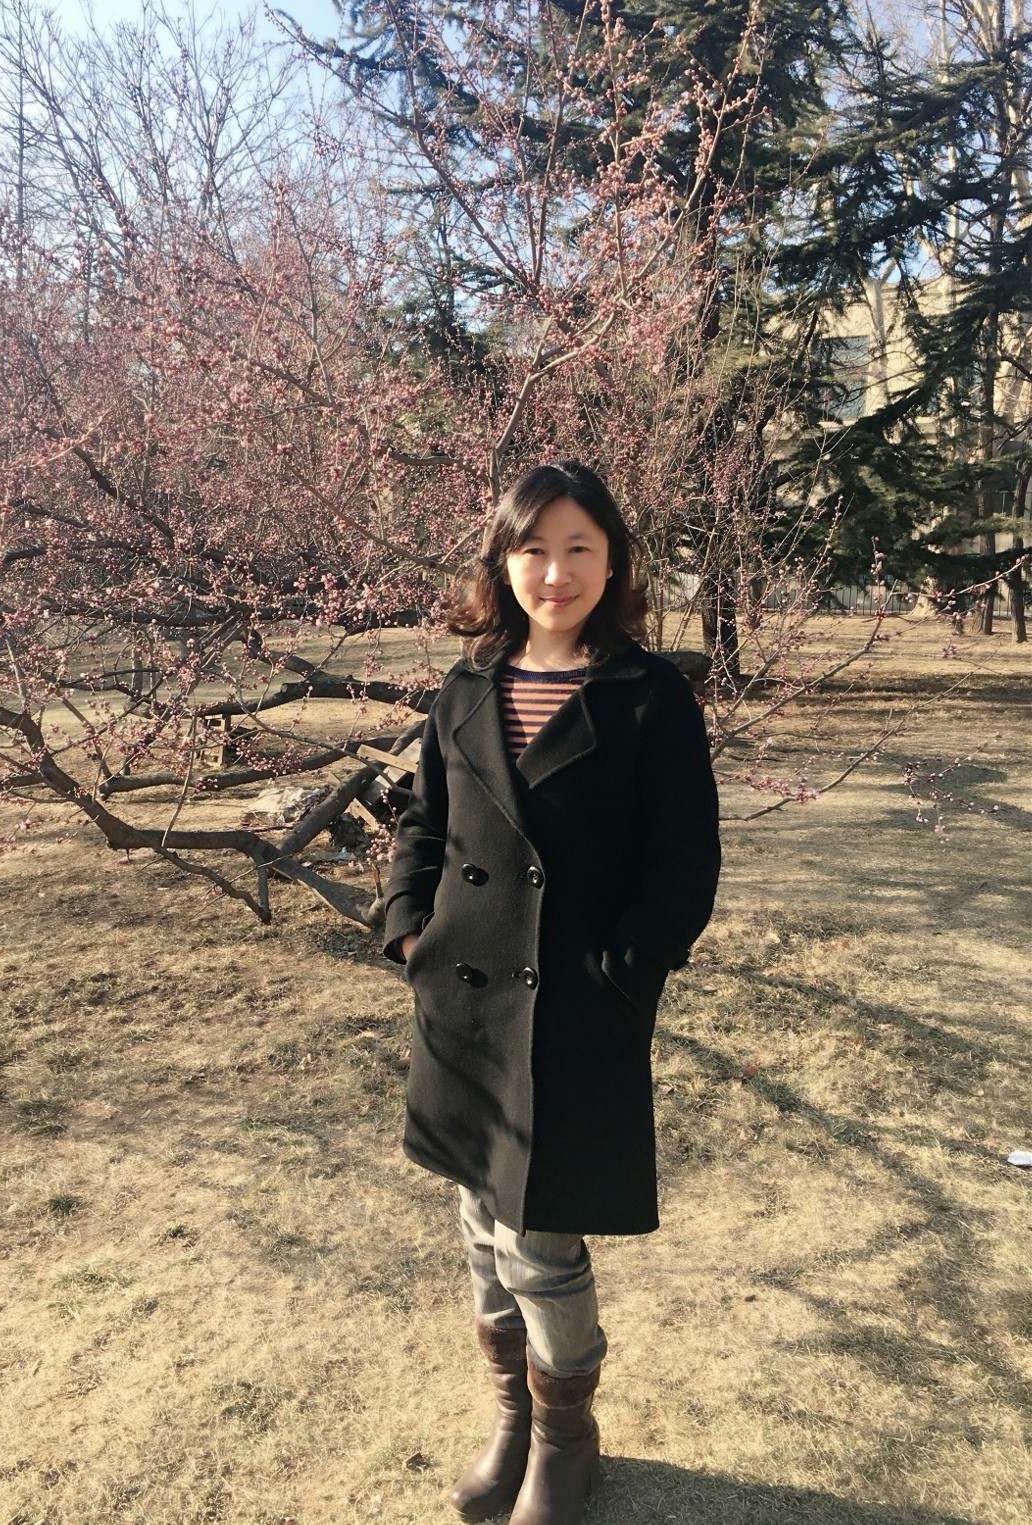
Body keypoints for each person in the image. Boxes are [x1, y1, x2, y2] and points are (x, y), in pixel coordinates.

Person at [382, 461, 721, 1525]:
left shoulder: (650, 695)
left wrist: (625, 972)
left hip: (575, 1012)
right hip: (463, 1006)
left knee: (541, 1239)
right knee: (478, 1219)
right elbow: (425, 823)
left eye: (580, 547)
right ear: (505, 560)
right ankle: (513, 1417)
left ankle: (567, 1434)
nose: (556, 571)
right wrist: (408, 929)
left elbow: (685, 862)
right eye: (534, 548)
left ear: (614, 561)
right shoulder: (468, 684)